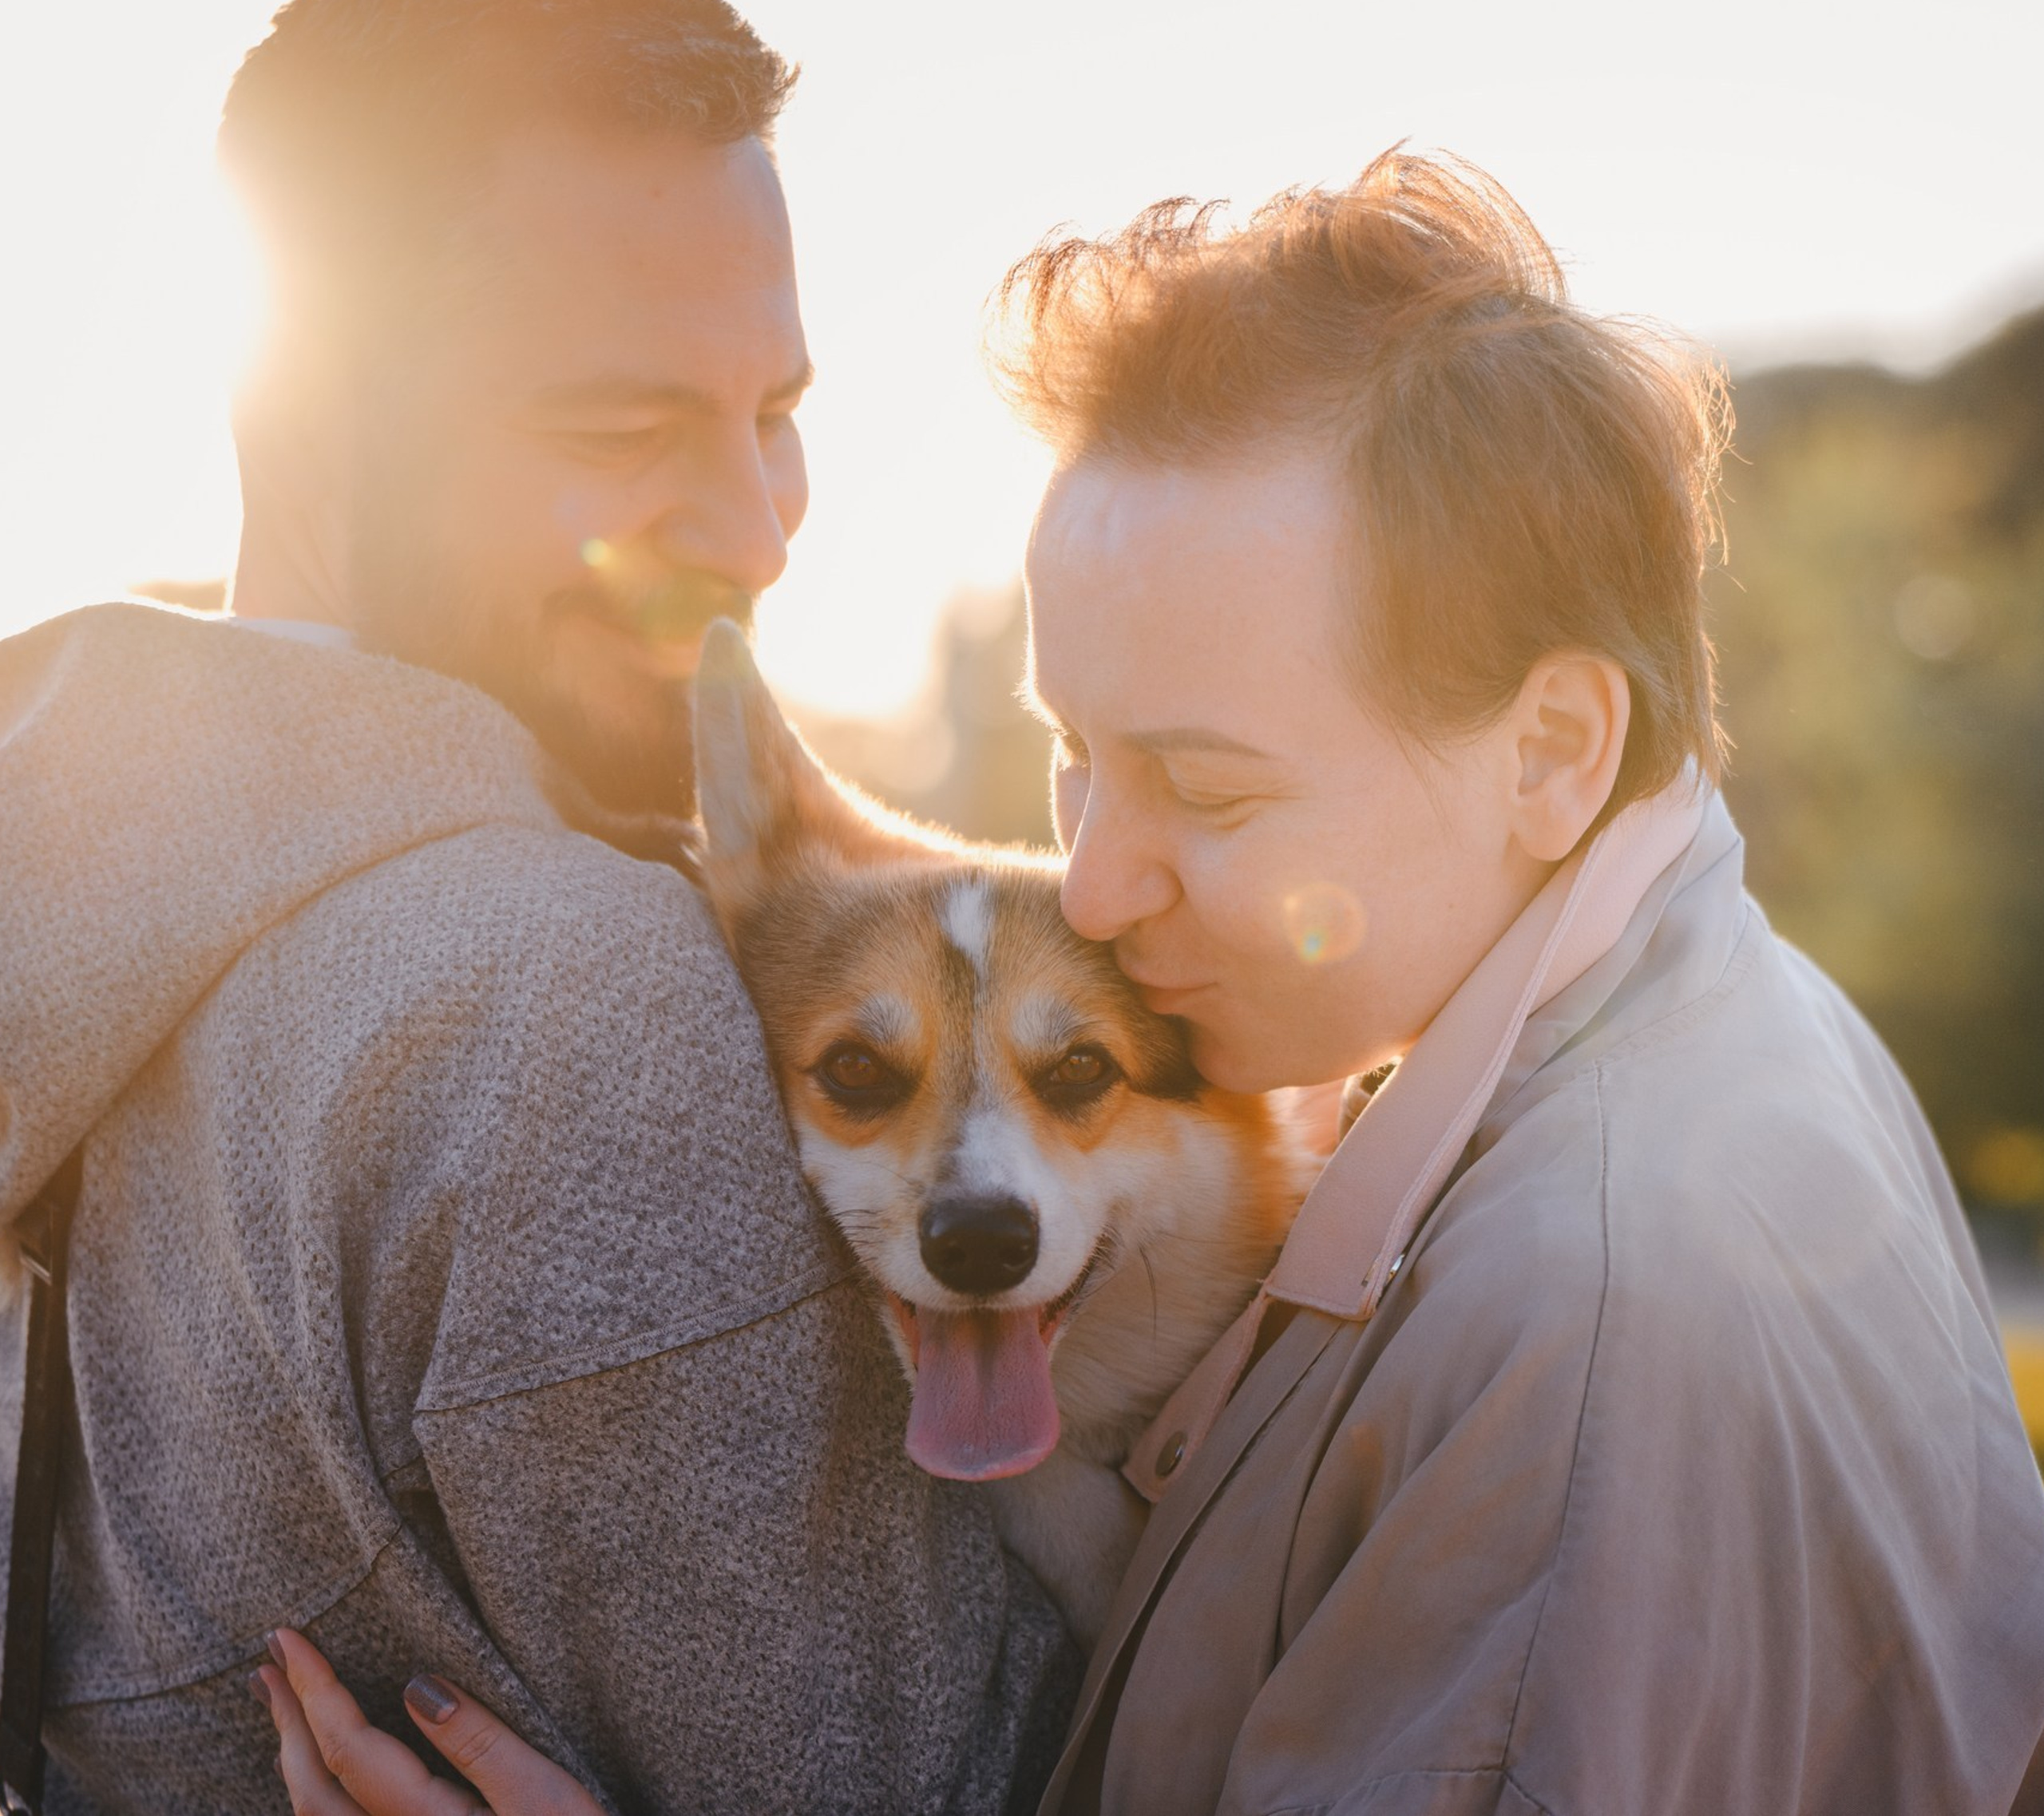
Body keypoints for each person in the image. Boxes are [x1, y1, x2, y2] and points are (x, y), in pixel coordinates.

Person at [263, 155, 2044, 1814]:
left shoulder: (1577, 1343)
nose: (1097, 882)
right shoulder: (1706, 1037)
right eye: (1075, 758)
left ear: (1550, 748)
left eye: (1203, 784)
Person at [0, 0, 1079, 1812]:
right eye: (621, 428)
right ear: (307, 417)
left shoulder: (83, 890)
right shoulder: (564, 1003)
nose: (751, 531)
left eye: (772, 412)